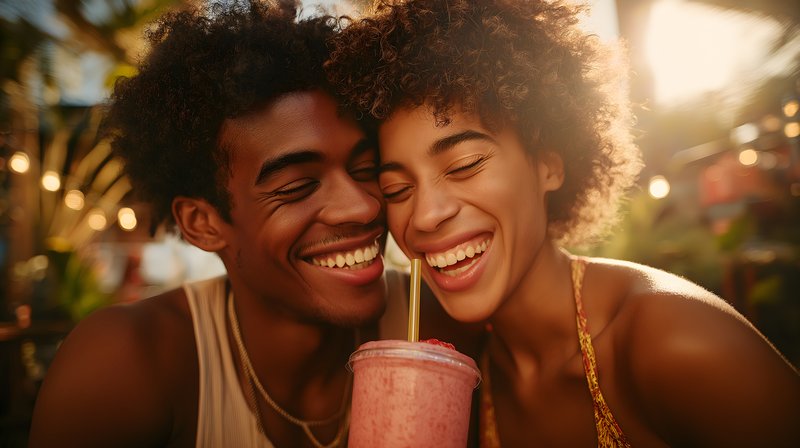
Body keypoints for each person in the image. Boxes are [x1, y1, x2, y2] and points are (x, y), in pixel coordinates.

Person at [326, 0, 800, 446]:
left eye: (465, 164)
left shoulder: (675, 342)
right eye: (397, 191)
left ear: (550, 164)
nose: (426, 215)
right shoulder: (459, 377)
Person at [28, 1, 479, 446]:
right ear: (202, 223)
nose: (362, 207)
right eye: (298, 185)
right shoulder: (125, 366)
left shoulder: (441, 329)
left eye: (365, 170)